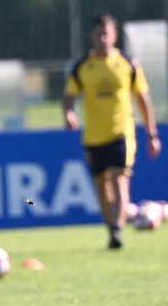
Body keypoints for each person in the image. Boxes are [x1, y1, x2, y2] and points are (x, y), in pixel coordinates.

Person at [64, 14, 161, 249]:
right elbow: (69, 95)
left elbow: (142, 99)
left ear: (115, 36)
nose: (103, 38)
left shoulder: (128, 64)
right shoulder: (82, 68)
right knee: (101, 187)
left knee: (119, 182)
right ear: (92, 36)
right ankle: (111, 227)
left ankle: (117, 231)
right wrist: (69, 113)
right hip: (94, 137)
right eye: (99, 33)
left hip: (122, 133)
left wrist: (152, 134)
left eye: (107, 33)